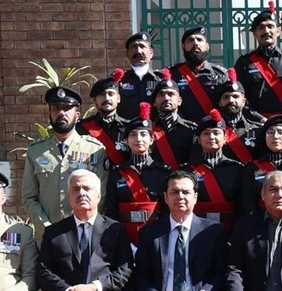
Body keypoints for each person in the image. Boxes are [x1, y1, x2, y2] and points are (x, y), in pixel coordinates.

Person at [21, 86, 107, 234]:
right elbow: (29, 197)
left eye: (67, 108)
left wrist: (82, 224)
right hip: (47, 235)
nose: (61, 113)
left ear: (77, 115)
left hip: (84, 233)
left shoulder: (94, 150)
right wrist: (47, 229)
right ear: (49, 113)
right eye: (56, 108)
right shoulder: (36, 151)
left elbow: (101, 194)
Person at [103, 104, 171, 246]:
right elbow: (112, 209)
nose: (138, 139)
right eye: (133, 135)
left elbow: (167, 209)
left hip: (156, 235)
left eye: (143, 134)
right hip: (125, 235)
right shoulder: (117, 172)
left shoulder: (164, 172)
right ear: (126, 141)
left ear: (151, 140)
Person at [232, 2, 282, 118]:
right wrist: (258, 118)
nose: (266, 31)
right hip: (255, 122)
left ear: (278, 31)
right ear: (254, 34)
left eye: (270, 26)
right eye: (261, 27)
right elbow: (239, 97)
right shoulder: (244, 63)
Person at [185, 110, 246, 233]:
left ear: (225, 138)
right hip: (197, 231)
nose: (211, 137)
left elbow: (244, 205)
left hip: (231, 231)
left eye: (216, 133)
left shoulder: (238, 169)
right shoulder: (187, 171)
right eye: (206, 133)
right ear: (199, 139)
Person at [171, 26, 230, 125]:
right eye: (190, 40)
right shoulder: (172, 74)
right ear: (183, 46)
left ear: (207, 46)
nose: (195, 43)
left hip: (211, 130)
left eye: (199, 40)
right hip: (182, 130)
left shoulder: (221, 74)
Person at [77, 71, 129, 168]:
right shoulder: (80, 128)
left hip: (121, 177)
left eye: (111, 94)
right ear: (94, 100)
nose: (107, 98)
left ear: (118, 98)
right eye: (102, 94)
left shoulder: (129, 128)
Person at [150, 69, 197, 167]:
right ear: (154, 102)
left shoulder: (191, 129)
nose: (166, 98)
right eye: (161, 94)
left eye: (171, 94)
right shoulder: (147, 129)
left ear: (179, 101)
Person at [117, 31, 165, 120]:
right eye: (134, 47)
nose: (138, 51)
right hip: (128, 128)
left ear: (151, 53)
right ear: (127, 54)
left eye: (142, 46)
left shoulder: (161, 79)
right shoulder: (119, 80)